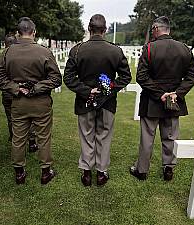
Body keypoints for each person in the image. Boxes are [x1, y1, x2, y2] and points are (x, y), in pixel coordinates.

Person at [64, 14, 132, 186]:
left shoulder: (77, 50)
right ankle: (101, 173)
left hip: (86, 100)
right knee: (104, 135)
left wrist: (89, 91)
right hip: (106, 101)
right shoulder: (115, 50)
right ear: (105, 30)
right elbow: (125, 77)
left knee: (87, 136)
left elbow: (69, 78)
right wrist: (106, 90)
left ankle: (87, 172)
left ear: (89, 29)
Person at [0, 17, 62, 185]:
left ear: (17, 33)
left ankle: (19, 173)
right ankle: (45, 172)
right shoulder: (44, 52)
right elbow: (56, 79)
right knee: (43, 137)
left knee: (18, 137)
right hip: (41, 102)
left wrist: (17, 88)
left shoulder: (7, 52)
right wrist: (35, 88)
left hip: (19, 102)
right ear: (34, 32)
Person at [129, 16, 194, 181]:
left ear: (156, 28)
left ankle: (142, 170)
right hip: (173, 101)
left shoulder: (150, 48)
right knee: (170, 137)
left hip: (152, 101)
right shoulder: (184, 49)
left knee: (147, 138)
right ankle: (168, 169)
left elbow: (142, 77)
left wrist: (160, 94)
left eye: (152, 30)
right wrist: (176, 93)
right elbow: (192, 77)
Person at [0, 34, 38, 153]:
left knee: (11, 117)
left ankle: (15, 139)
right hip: (22, 92)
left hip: (7, 92)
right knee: (29, 117)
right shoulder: (22, 55)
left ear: (4, 44)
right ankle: (31, 141)